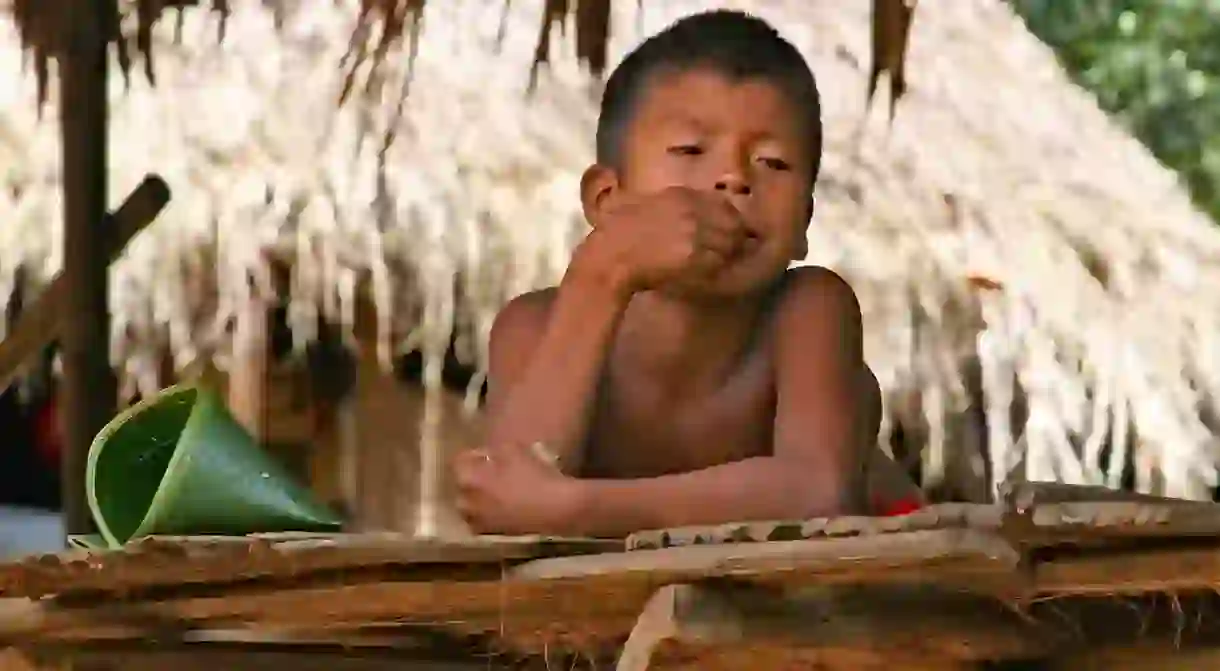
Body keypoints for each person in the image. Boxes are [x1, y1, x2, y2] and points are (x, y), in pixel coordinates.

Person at [453, 9, 922, 538]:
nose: (732, 178)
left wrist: (579, 507)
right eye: (690, 150)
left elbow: (818, 493)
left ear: (804, 223)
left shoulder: (809, 308)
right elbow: (510, 499)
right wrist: (603, 270)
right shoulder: (532, 326)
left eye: (773, 163)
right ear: (608, 200)